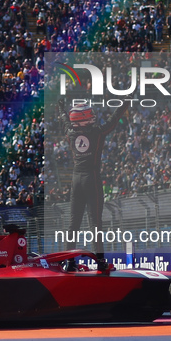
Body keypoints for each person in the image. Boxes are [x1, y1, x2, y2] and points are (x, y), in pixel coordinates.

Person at [58, 99, 130, 271]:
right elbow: (113, 120)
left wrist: (61, 107)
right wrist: (126, 102)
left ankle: (69, 262)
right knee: (95, 222)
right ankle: (100, 262)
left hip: (76, 180)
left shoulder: (70, 132)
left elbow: (64, 120)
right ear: (84, 118)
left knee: (73, 223)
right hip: (92, 178)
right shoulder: (98, 132)